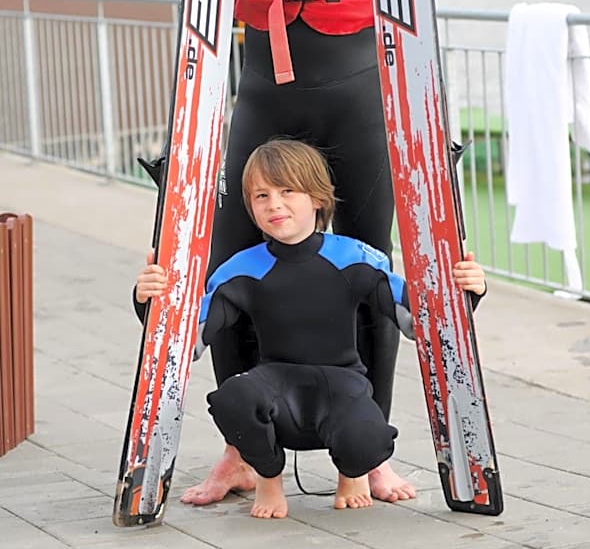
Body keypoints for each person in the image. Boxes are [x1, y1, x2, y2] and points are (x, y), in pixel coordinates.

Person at [149, 0, 470, 506]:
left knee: (366, 268)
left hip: (359, 89)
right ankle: (238, 453)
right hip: (263, 87)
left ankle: (368, 454)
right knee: (233, 266)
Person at [134, 139, 487, 519]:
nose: (275, 205)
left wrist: (468, 292)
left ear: (317, 198)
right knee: (231, 397)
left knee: (369, 438)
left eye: (288, 191)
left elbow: (421, 323)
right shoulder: (240, 268)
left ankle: (353, 473)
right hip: (275, 388)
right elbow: (186, 344)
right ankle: (268, 477)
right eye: (262, 195)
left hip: (342, 388)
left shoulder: (355, 257)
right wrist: (150, 300)